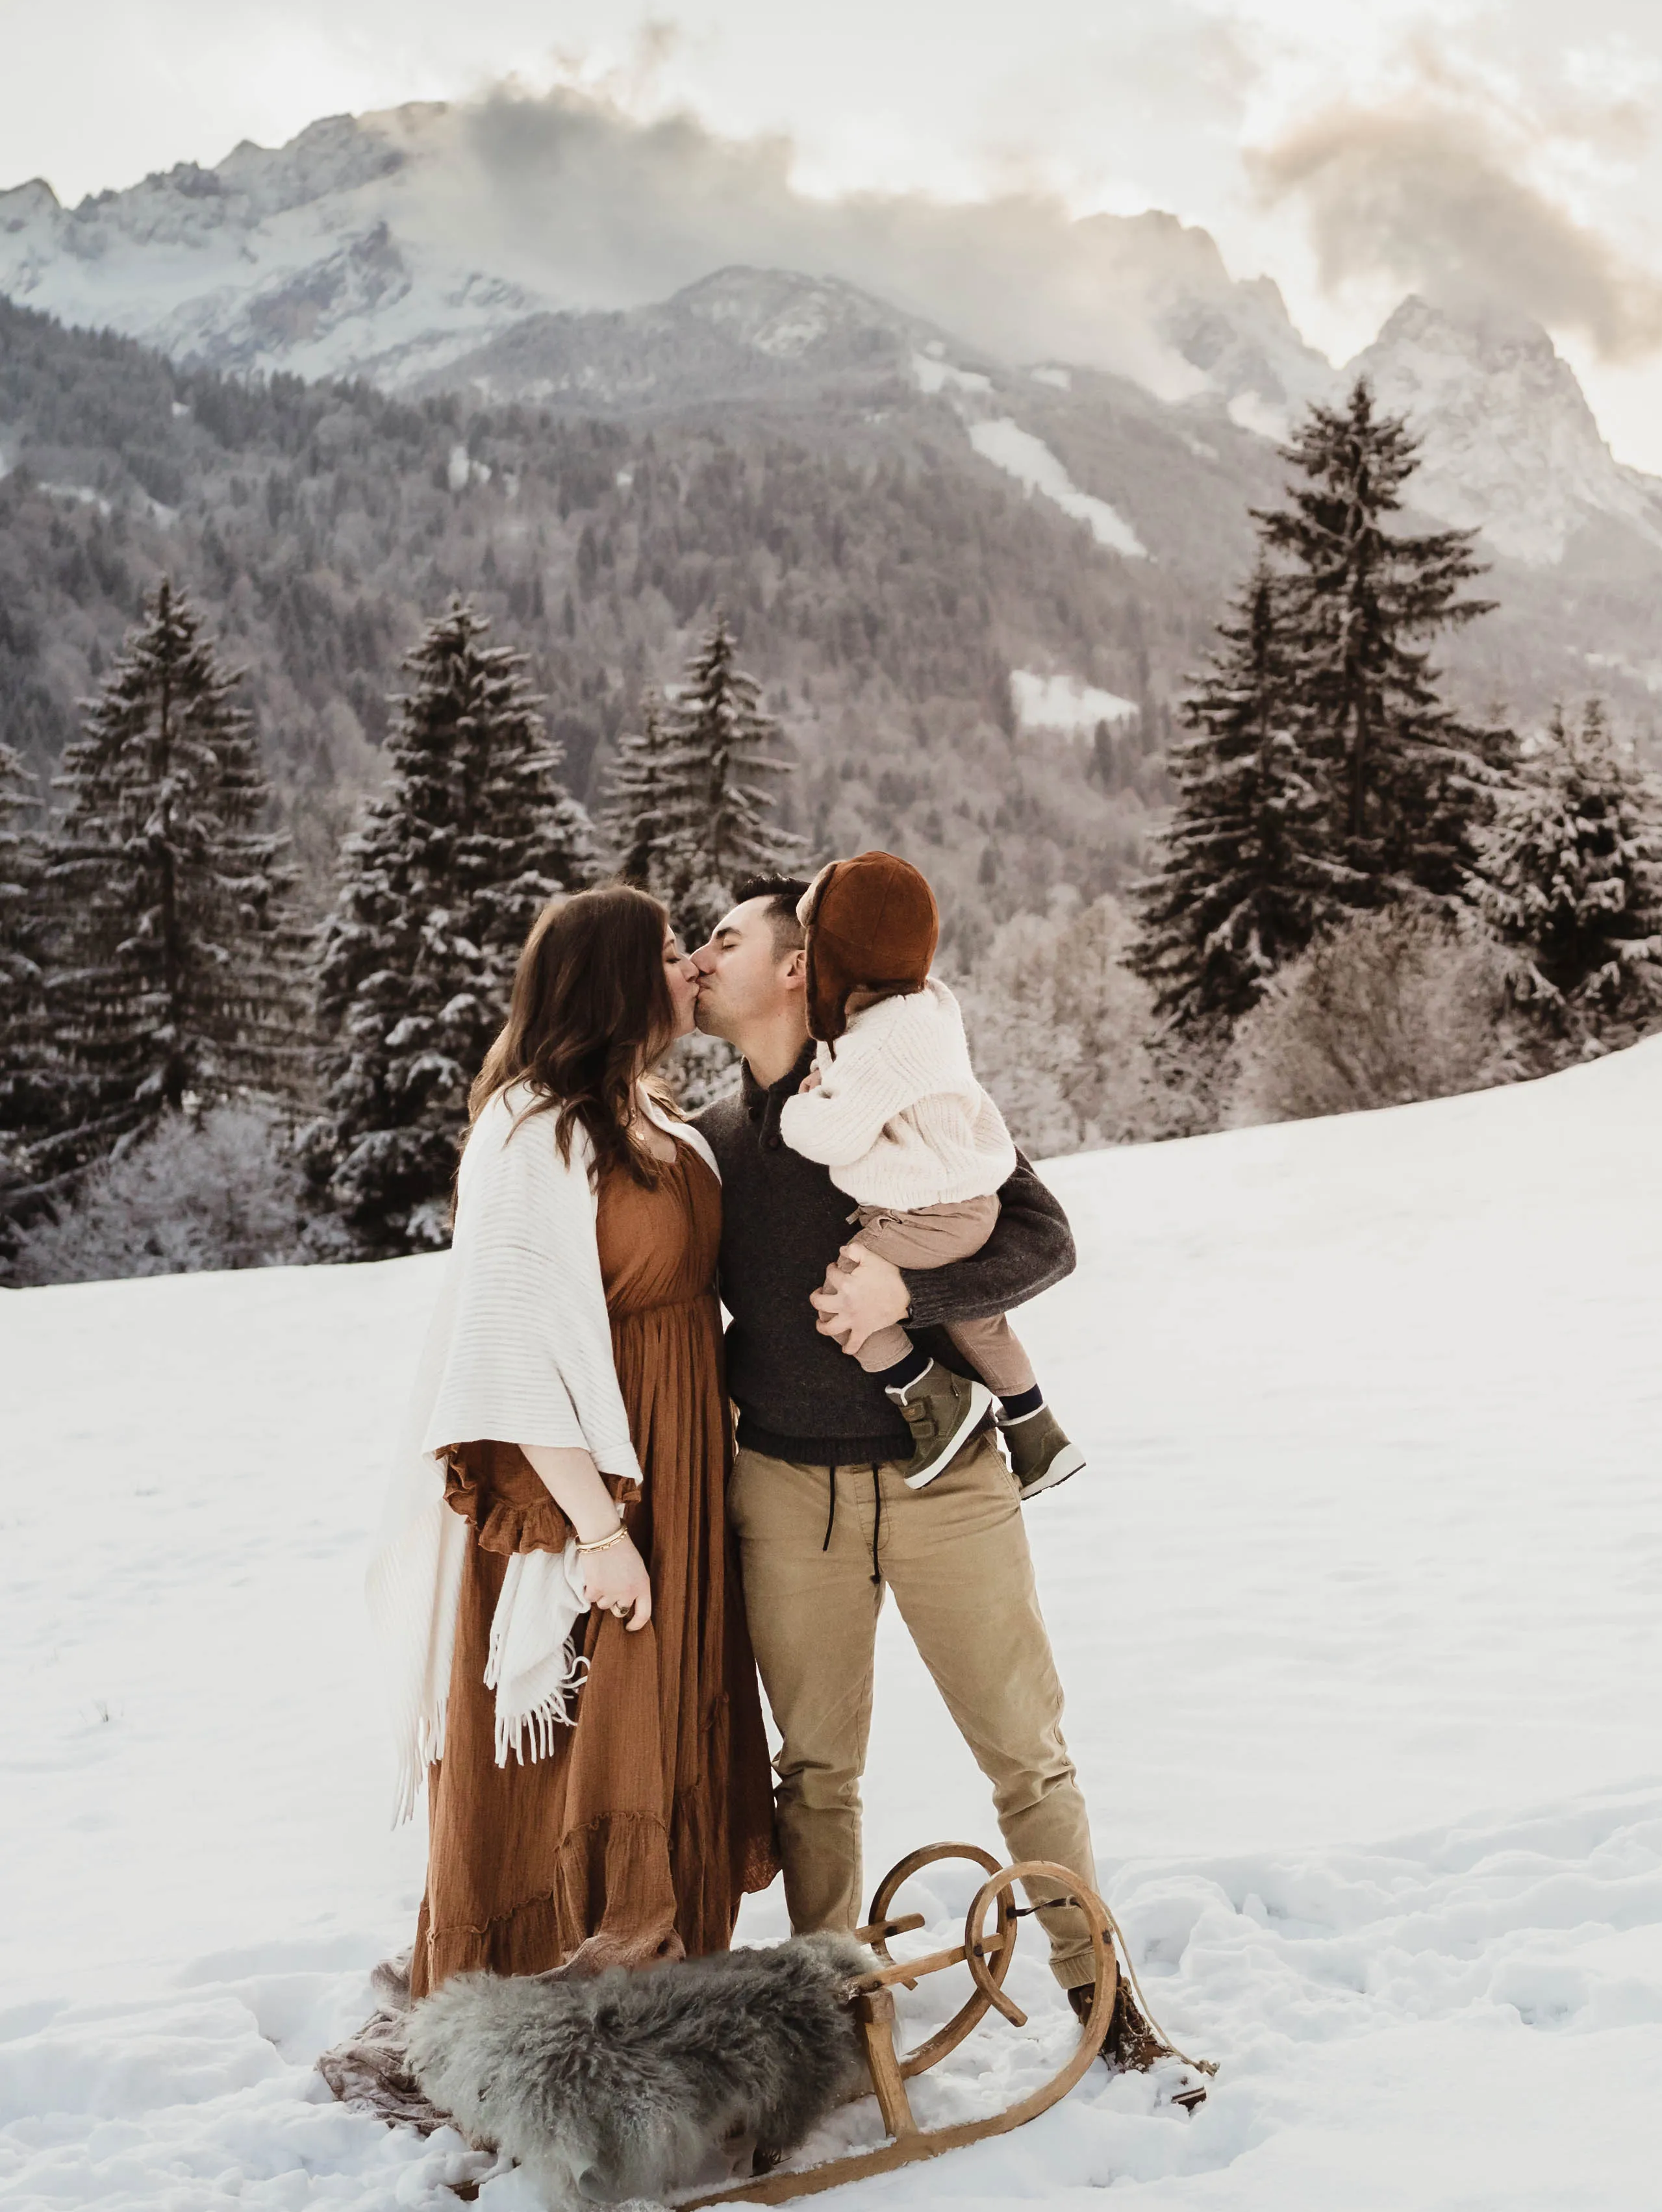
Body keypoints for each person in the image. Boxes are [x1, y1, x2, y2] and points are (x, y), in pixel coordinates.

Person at [690, 875, 1161, 2068]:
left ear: (795, 969)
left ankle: (1107, 2008)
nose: (700, 957)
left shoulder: (893, 1098)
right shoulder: (713, 1146)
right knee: (814, 1776)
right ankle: (832, 2032)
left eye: (724, 938)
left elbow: (1040, 1236)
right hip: (785, 1489)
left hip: (944, 1479)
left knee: (1025, 1750)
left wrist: (914, 1291)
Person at [368, 886, 777, 1998]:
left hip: (682, 1455)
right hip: (595, 1481)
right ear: (611, 979)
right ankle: (549, 1999)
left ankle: (670, 1987)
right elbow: (505, 1352)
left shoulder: (650, 1114)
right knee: (592, 1732)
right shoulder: (531, 1129)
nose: (691, 964)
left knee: (669, 1712)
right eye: (666, 952)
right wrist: (598, 1529)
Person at [780, 850, 1083, 1497]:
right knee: (981, 1320)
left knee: (843, 1298)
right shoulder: (928, 1006)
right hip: (969, 1203)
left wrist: (800, 1105)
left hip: (926, 1214)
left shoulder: (880, 1040)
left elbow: (830, 1131)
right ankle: (1038, 1432)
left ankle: (935, 1400)